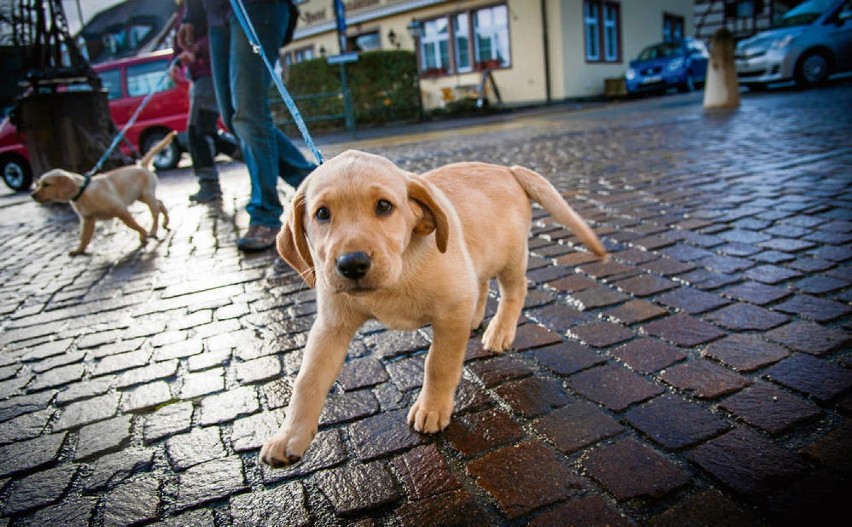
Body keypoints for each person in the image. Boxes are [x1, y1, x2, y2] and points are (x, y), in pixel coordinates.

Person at [179, 0, 317, 251]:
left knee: (249, 113)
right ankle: (311, 182)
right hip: (216, 15)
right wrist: (192, 16)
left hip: (255, 6)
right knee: (234, 116)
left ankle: (265, 213)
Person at [171, 0, 223, 203]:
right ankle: (245, 155)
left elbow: (218, 30)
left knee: (198, 130)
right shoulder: (181, 11)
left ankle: (209, 184)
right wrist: (176, 61)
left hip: (209, 74)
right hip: (199, 76)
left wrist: (196, 52)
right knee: (207, 131)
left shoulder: (198, 6)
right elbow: (180, 42)